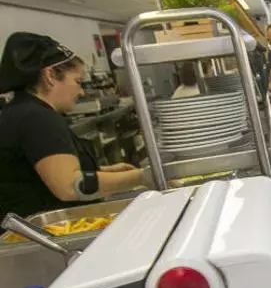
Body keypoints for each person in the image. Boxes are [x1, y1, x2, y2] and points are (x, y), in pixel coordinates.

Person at [0, 32, 158, 223]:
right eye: (77, 81)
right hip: (44, 237)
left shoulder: (23, 111)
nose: (82, 92)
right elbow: (72, 185)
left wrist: (104, 171)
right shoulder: (36, 118)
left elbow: (38, 176)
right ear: (50, 76)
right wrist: (143, 176)